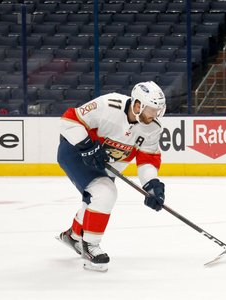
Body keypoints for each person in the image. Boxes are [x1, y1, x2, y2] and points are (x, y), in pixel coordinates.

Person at [56, 81, 167, 272]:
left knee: (95, 200)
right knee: (105, 193)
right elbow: (69, 120)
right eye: (151, 109)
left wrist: (151, 185)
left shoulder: (152, 127)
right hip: (76, 152)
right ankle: (90, 247)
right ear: (138, 104)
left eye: (158, 110)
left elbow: (147, 160)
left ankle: (74, 236)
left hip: (105, 166)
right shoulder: (108, 105)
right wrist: (87, 146)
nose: (155, 115)